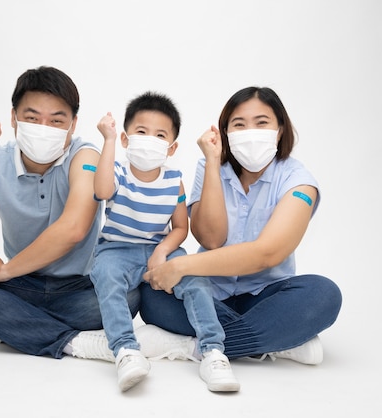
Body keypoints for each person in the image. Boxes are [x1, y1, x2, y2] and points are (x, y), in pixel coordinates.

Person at [0, 65, 139, 360]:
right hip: (20, 284)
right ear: (14, 118)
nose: (44, 128)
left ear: (73, 123)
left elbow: (74, 229)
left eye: (56, 120)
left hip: (78, 288)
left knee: (130, 296)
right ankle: (72, 342)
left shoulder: (86, 157)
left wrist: (3, 271)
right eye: (32, 118)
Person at [139, 86, 342, 367]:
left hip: (265, 297)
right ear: (225, 132)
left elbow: (267, 254)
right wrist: (212, 162)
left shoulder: (298, 180)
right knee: (151, 296)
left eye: (262, 123)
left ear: (280, 129)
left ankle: (194, 347)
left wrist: (180, 266)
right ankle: (276, 342)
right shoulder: (209, 167)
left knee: (323, 294)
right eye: (239, 125)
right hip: (208, 294)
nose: (251, 132)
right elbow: (211, 239)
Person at [90, 92, 239, 392]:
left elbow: (181, 227)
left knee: (196, 278)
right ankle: (125, 350)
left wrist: (161, 252)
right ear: (125, 138)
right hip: (116, 250)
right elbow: (103, 191)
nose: (149, 139)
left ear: (171, 147)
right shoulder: (117, 173)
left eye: (160, 135)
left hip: (160, 248)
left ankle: (212, 351)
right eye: (141, 132)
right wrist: (106, 141)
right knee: (106, 278)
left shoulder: (174, 181)